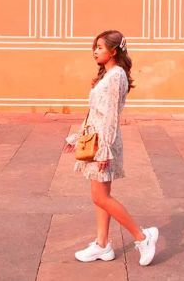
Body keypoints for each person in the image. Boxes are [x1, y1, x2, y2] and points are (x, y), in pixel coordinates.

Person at [63, 29, 159, 266]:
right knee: (100, 196)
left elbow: (111, 117)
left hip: (105, 142)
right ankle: (103, 245)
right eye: (94, 47)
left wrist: (105, 148)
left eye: (100, 47)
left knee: (100, 197)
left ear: (114, 51)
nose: (95, 51)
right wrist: (78, 137)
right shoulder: (108, 75)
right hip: (96, 140)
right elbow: (97, 112)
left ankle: (142, 237)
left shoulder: (116, 75)